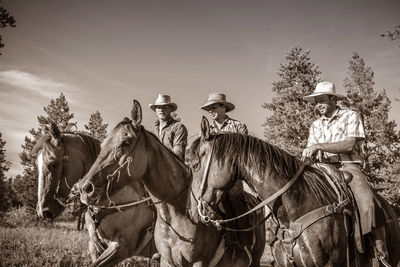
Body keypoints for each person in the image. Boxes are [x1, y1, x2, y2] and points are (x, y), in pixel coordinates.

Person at [302, 81, 390, 260]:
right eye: (315, 101)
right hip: (321, 170)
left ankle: (381, 250)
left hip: (349, 167)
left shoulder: (350, 115)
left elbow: (350, 144)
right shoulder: (315, 125)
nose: (318, 105)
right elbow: (311, 149)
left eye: (322, 100)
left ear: (333, 99)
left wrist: (319, 145)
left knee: (367, 201)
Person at [149, 94, 188, 161]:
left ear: (170, 109)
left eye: (164, 107)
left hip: (173, 169)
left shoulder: (178, 127)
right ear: (155, 110)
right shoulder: (151, 129)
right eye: (158, 107)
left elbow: (177, 154)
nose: (161, 110)